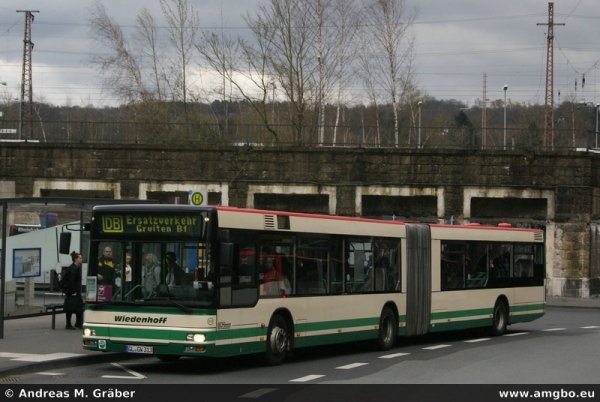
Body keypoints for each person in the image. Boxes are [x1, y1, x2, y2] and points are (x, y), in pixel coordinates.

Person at [64, 251, 83, 330]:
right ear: (75, 259)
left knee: (78, 307)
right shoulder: (73, 269)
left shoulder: (76, 268)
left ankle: (78, 323)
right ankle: (69, 324)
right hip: (73, 292)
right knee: (71, 308)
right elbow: (71, 281)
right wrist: (73, 291)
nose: (81, 260)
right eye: (80, 258)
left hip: (75, 291)